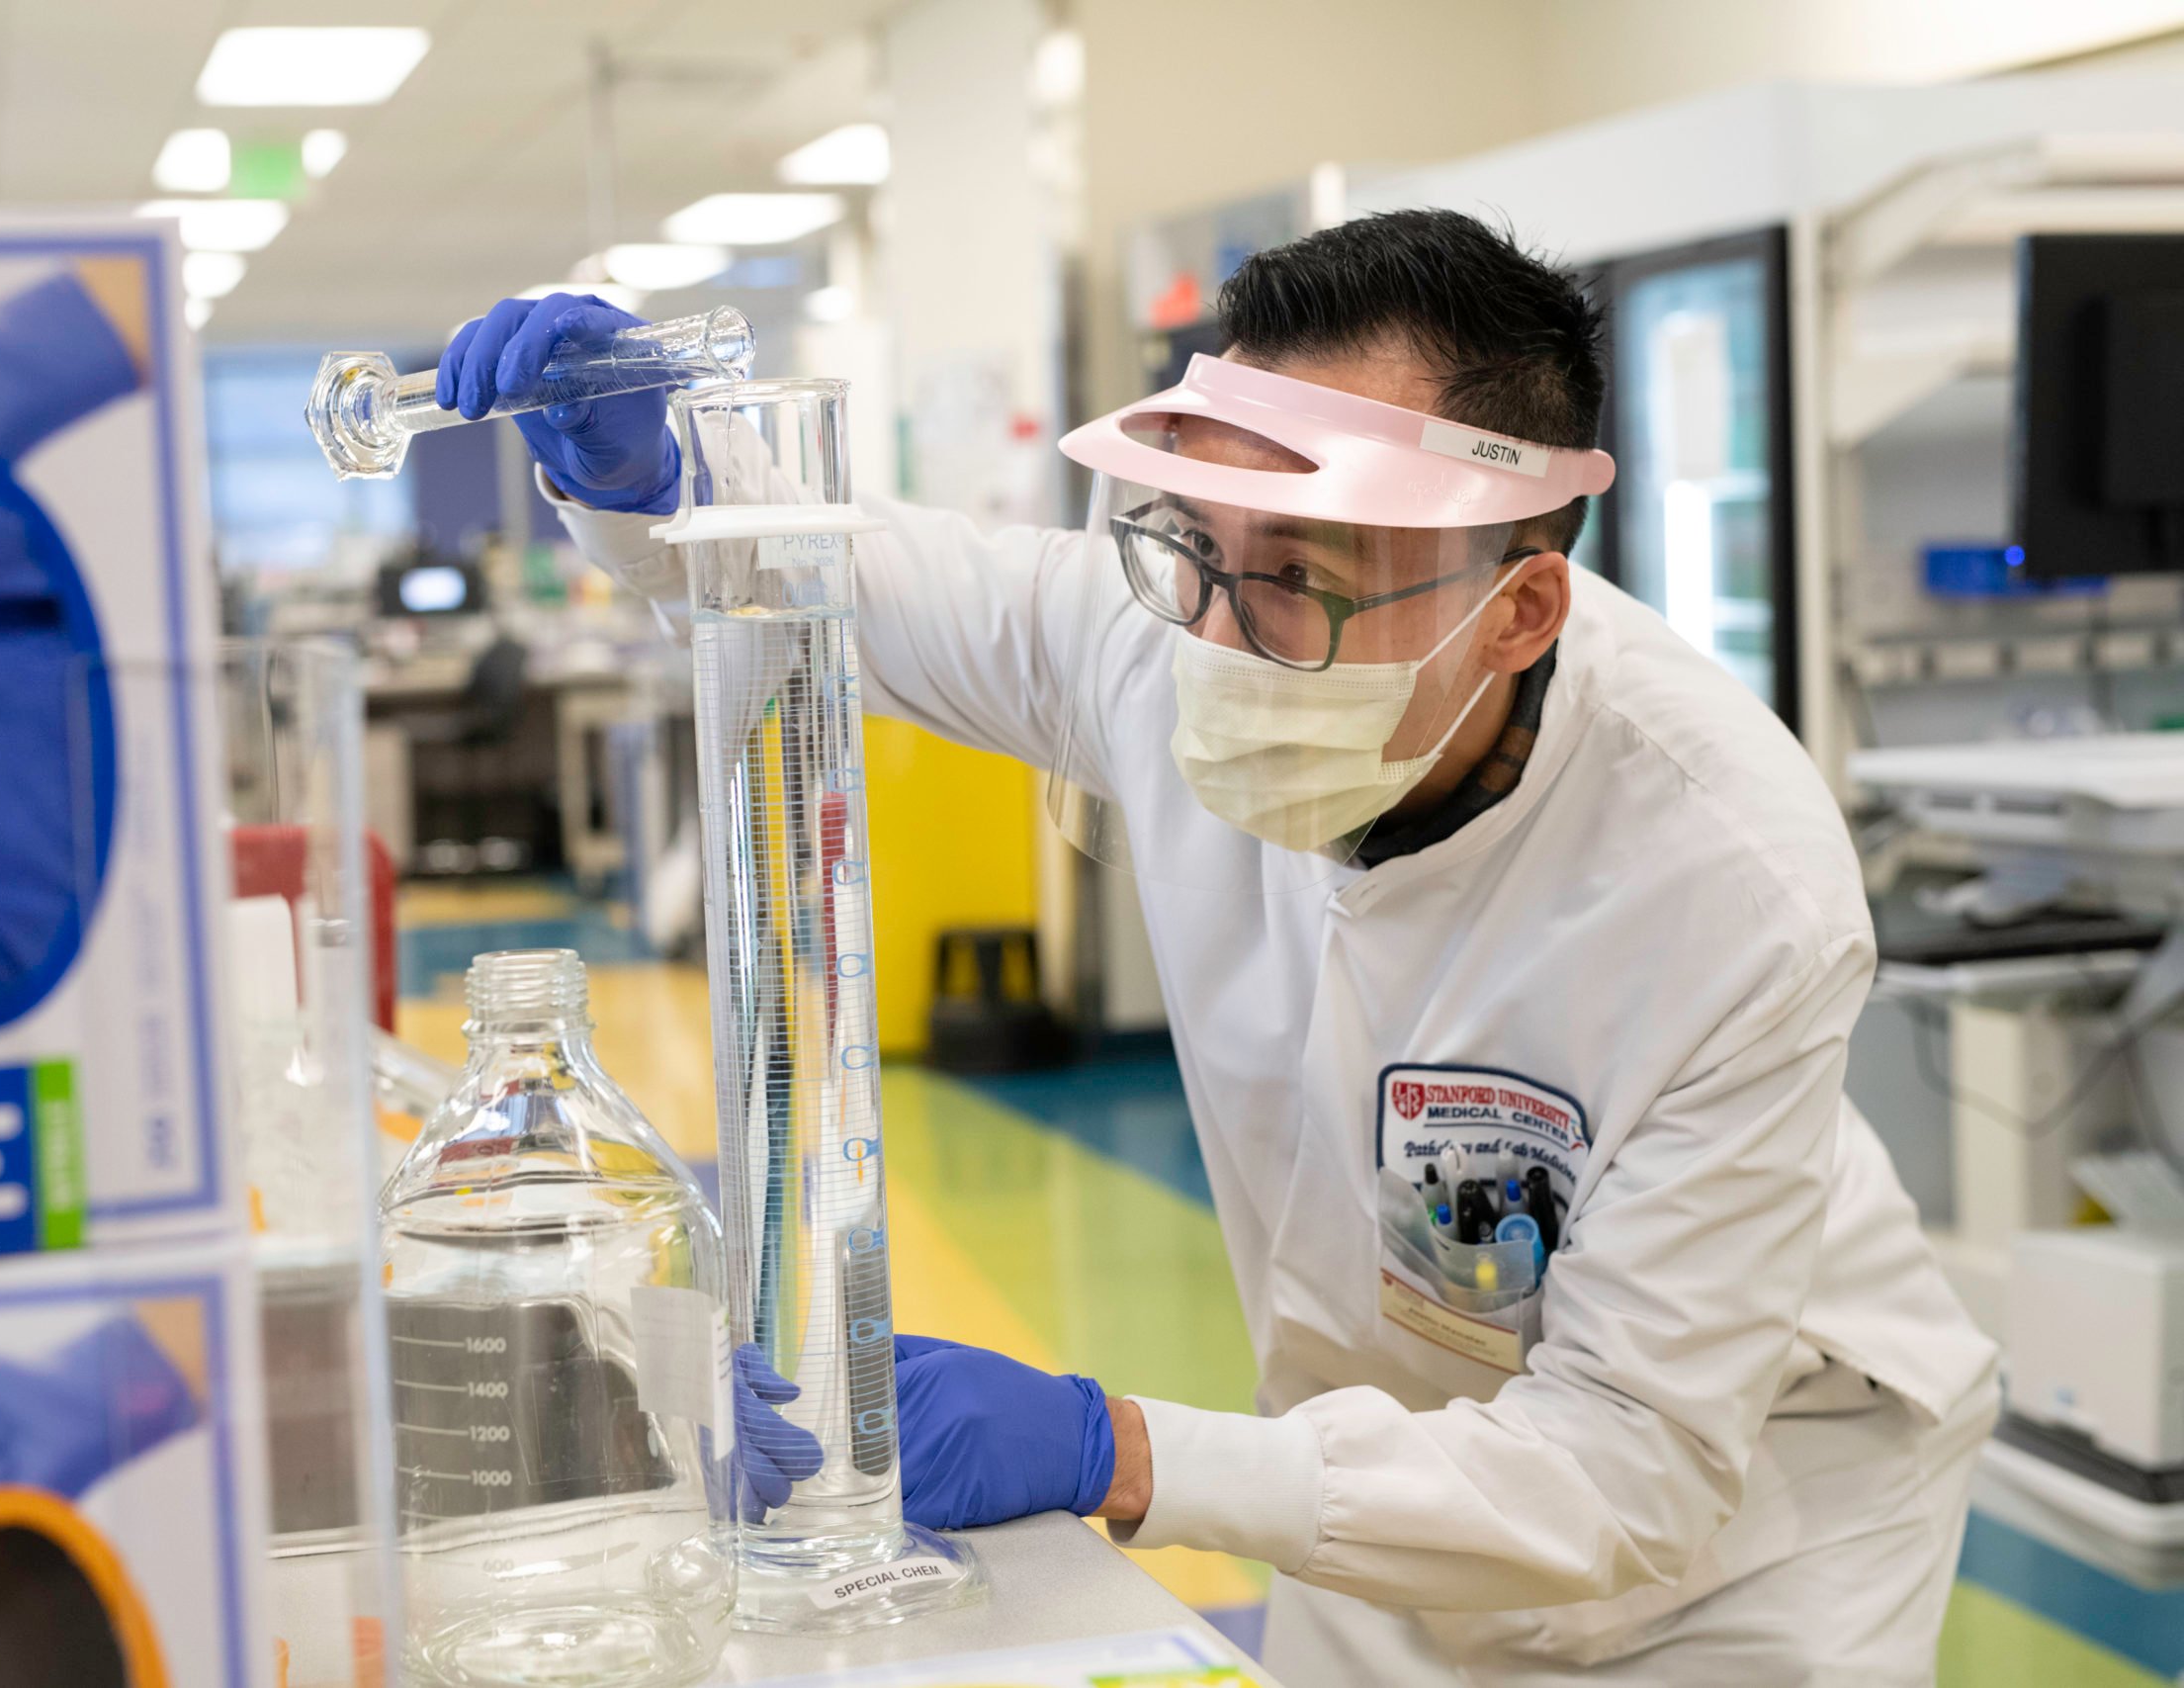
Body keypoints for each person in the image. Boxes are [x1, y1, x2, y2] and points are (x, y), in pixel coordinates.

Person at [440, 209, 1998, 1685]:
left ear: (1522, 611)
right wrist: (662, 481)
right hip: (1360, 1471)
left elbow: (1626, 1469)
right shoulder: (1171, 636)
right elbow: (856, 579)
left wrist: (1116, 1450)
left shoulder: (1728, 886)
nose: (1226, 639)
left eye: (1310, 581)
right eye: (1199, 545)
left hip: (1744, 1544)